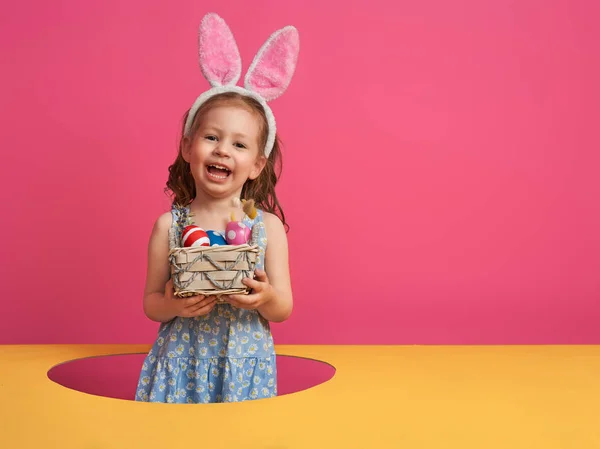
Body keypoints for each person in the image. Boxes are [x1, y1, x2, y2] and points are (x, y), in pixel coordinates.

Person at [135, 12, 300, 403]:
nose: (223, 149)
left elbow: (284, 308)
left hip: (244, 363)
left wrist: (263, 297)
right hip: (181, 360)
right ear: (189, 147)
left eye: (239, 145)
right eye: (212, 137)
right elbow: (151, 304)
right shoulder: (169, 226)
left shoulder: (267, 227)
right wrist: (174, 304)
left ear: (257, 164)